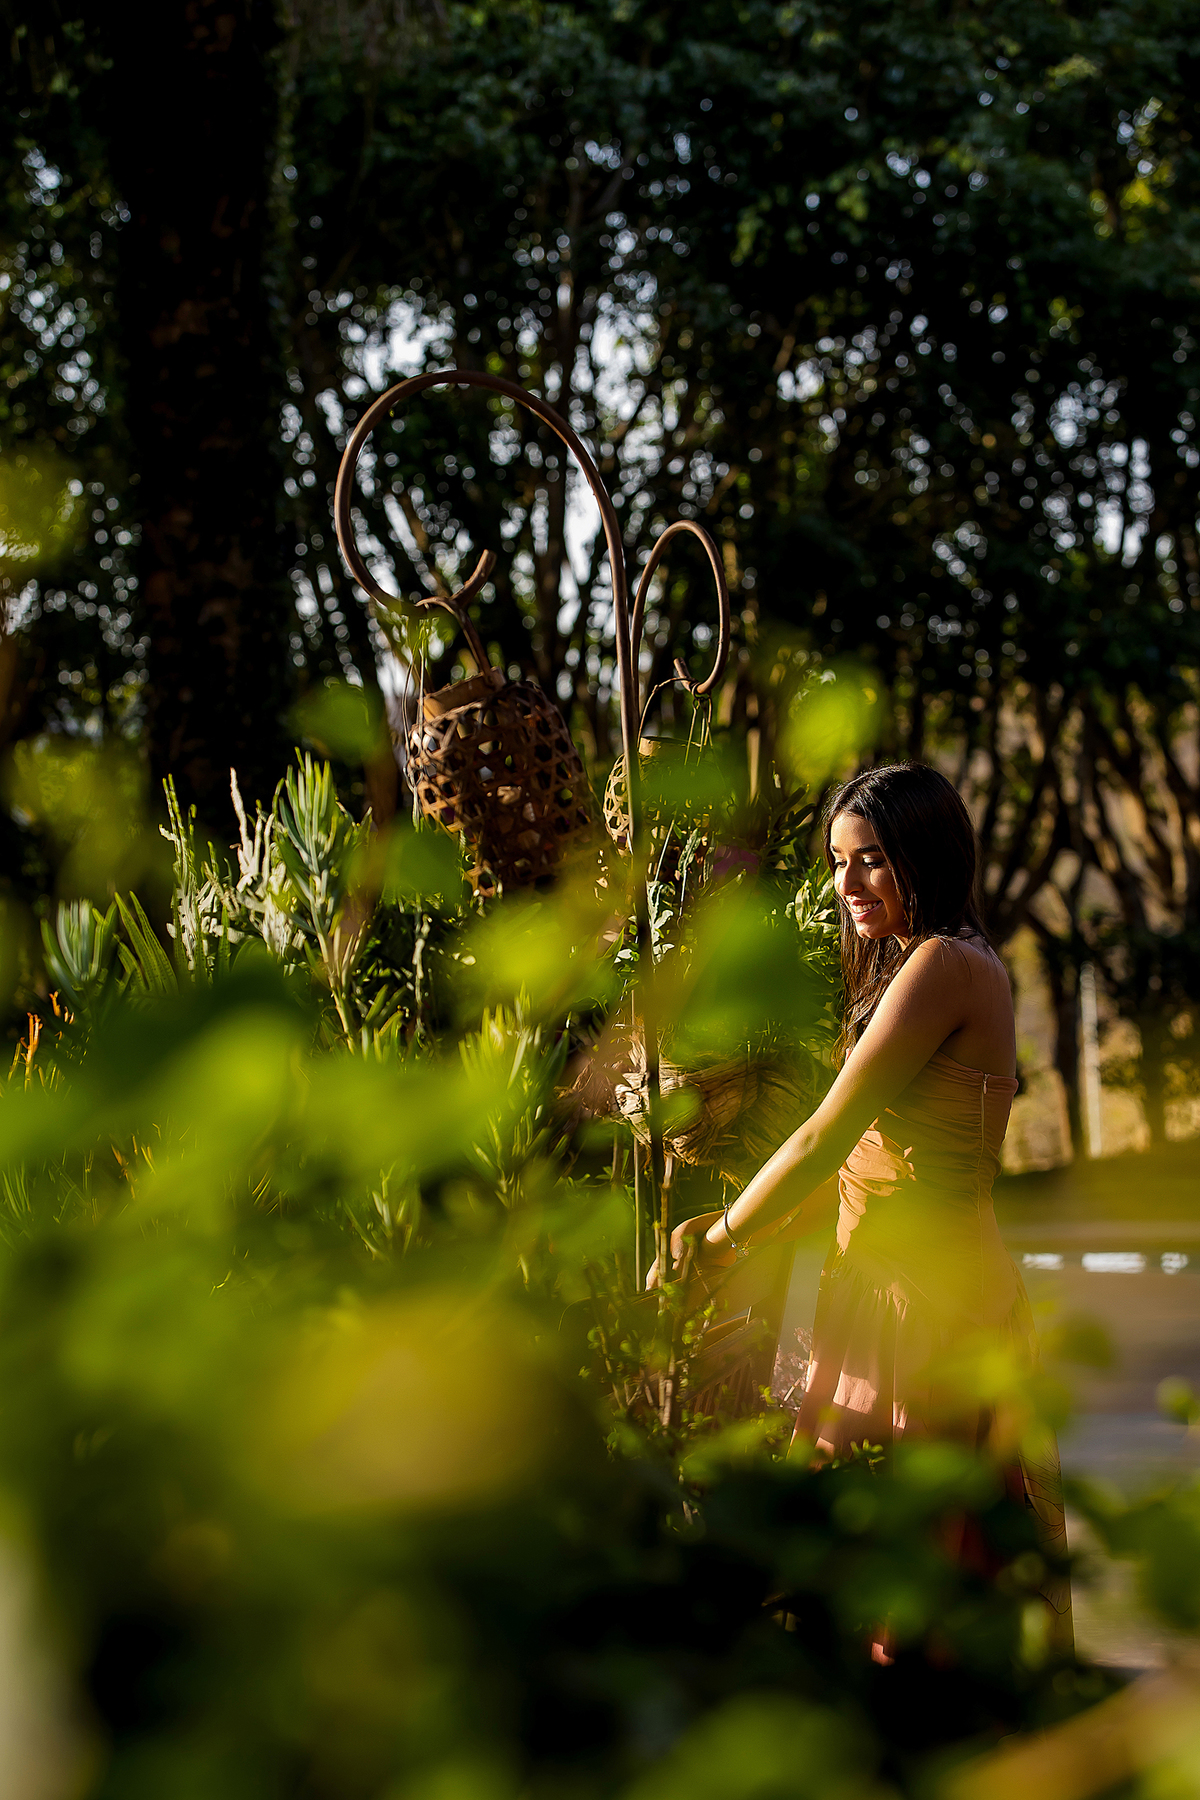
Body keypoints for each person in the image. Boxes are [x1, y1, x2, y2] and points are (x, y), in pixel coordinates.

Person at [648, 760, 1071, 1650]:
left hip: (921, 1309)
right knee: (883, 1573)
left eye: (871, 859)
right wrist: (725, 1232)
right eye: (839, 862)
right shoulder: (923, 965)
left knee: (900, 1587)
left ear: (926, 853)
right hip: (890, 1295)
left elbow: (822, 1140)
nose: (848, 885)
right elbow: (862, 1170)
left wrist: (719, 1244)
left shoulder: (945, 964)